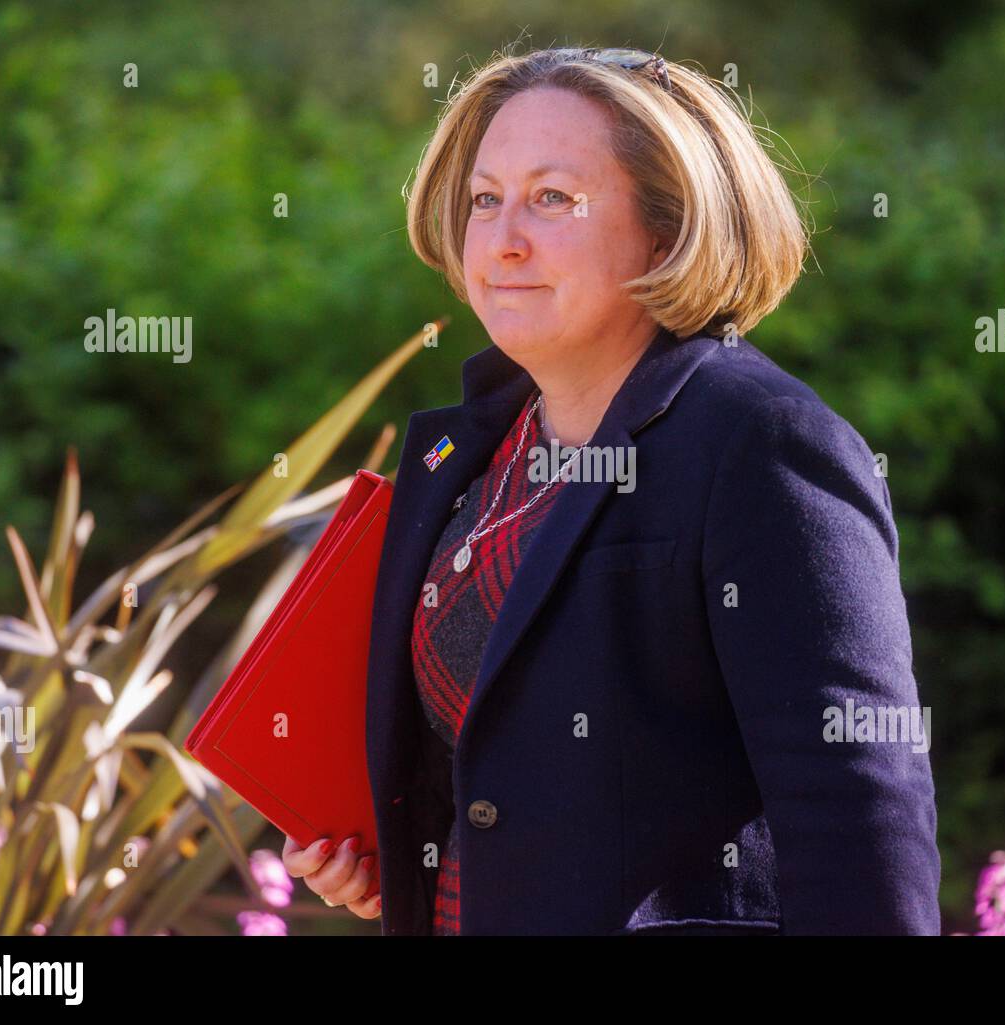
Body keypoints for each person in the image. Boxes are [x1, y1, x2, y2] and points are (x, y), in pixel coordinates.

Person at [284, 45, 941, 935]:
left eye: (553, 198)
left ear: (668, 229)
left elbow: (861, 819)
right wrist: (384, 849)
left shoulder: (763, 441)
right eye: (487, 199)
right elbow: (482, 775)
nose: (504, 237)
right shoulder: (469, 451)